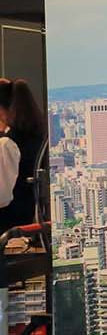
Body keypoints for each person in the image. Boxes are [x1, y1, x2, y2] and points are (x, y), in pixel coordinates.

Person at [0, 78, 45, 232]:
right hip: (26, 223)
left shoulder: (7, 143)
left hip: (8, 228)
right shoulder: (36, 136)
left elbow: (2, 197)